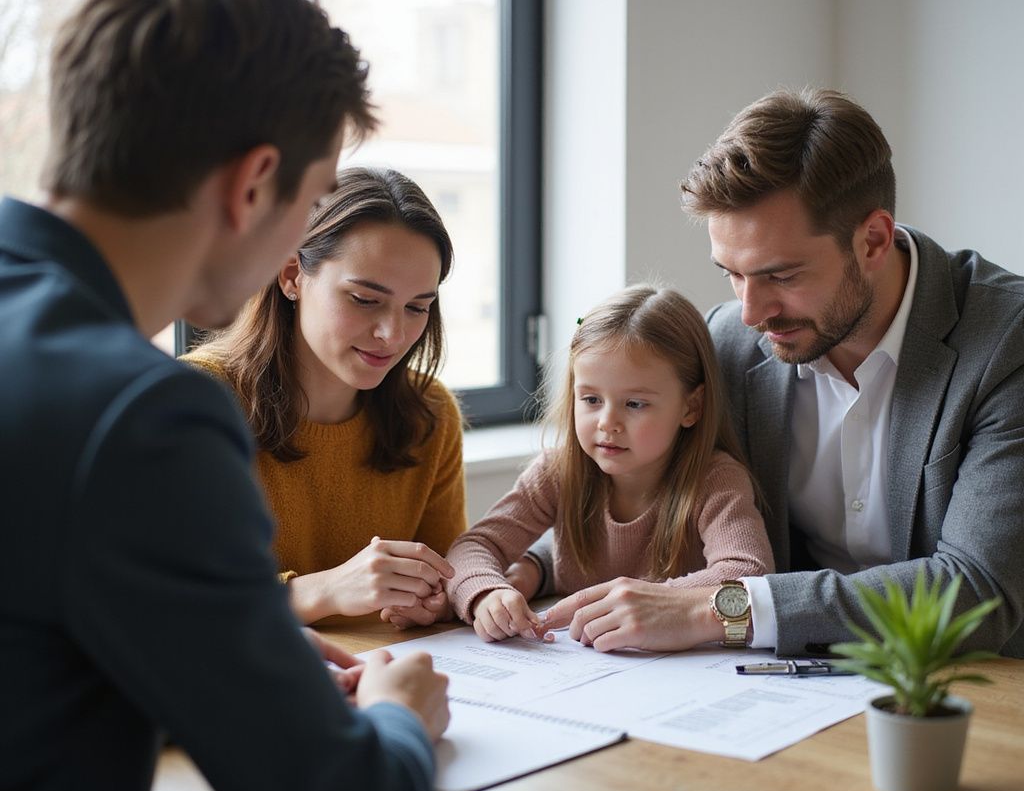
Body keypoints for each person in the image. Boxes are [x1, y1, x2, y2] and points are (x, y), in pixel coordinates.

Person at [0, 0, 450, 791]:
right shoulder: (142, 418)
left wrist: (225, 648)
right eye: (315, 196)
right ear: (254, 188)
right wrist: (402, 712)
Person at [543, 88, 1024, 660]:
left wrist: (716, 608)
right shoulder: (728, 341)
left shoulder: (1005, 342)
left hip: (968, 692)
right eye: (732, 274)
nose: (751, 312)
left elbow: (976, 590)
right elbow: (634, 494)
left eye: (781, 275)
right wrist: (525, 566)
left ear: (872, 240)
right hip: (778, 690)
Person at [184, 165, 464, 628]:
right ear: (292, 274)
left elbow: (447, 580)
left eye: (417, 307)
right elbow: (169, 600)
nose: (392, 334)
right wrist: (326, 590)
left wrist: (441, 598)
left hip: (379, 679)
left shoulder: (429, 415)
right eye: (364, 299)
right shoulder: (198, 401)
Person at [445, 285, 773, 645]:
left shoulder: (715, 480)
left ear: (691, 407)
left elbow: (748, 573)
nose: (607, 423)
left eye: (634, 404)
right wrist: (486, 594)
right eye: (590, 399)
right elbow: (474, 546)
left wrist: (646, 601)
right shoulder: (558, 472)